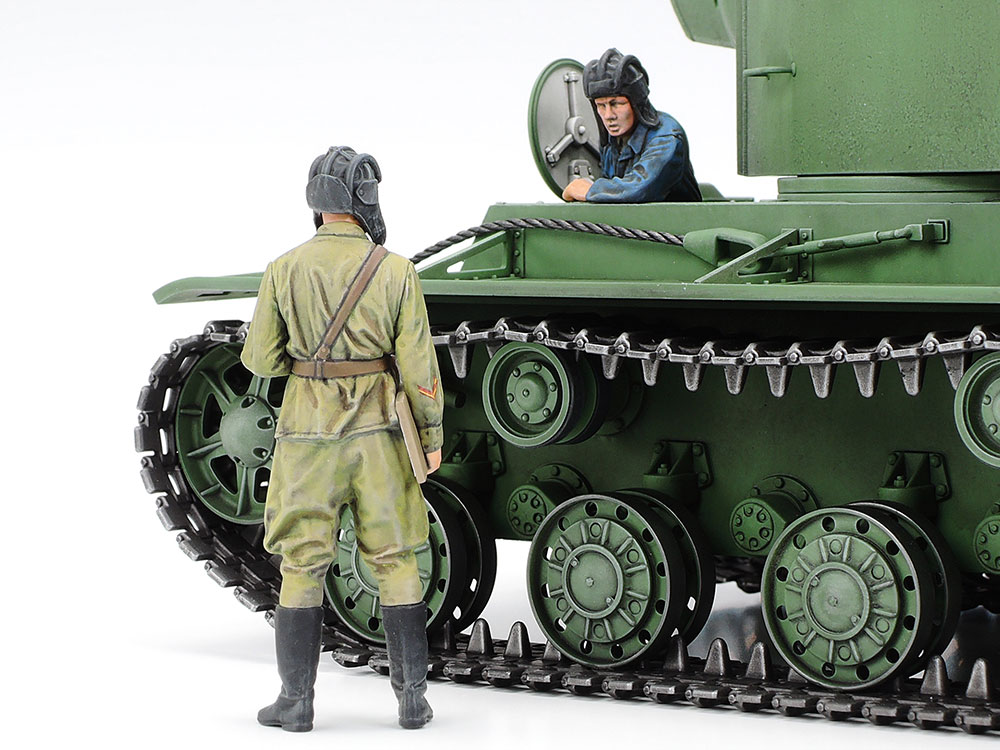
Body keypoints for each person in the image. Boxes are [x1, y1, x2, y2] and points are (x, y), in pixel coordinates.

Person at [241, 146, 443, 732]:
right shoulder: (396, 270)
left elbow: (261, 359)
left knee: (302, 562)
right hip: (379, 433)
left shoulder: (283, 268)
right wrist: (430, 435)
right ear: (365, 199)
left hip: (306, 434)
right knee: (396, 558)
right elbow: (419, 366)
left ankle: (296, 702)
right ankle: (412, 701)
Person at [562, 48, 702, 204]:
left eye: (616, 104)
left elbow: (639, 189)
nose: (608, 115)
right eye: (601, 105)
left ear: (636, 103)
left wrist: (590, 190)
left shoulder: (667, 137)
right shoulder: (613, 141)